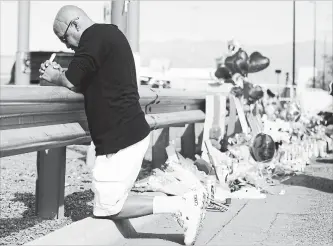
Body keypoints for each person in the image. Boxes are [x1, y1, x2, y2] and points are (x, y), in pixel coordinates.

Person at [39, 5, 206, 245]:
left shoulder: (93, 36)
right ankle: (182, 202)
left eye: (64, 37)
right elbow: (80, 80)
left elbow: (71, 79)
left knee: (107, 207)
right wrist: (60, 75)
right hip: (123, 134)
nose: (67, 45)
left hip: (122, 136)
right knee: (107, 202)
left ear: (75, 24)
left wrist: (55, 76)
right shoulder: (106, 36)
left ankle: (182, 205)